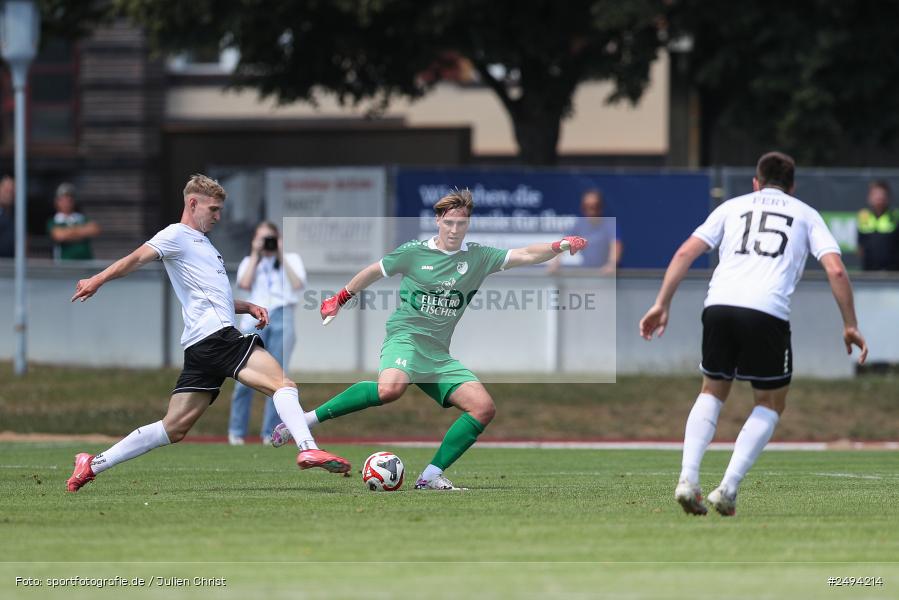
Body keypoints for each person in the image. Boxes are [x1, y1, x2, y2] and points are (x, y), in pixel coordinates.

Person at [271, 189, 588, 490]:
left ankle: (431, 476)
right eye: (448, 222)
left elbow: (525, 254)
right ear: (438, 221)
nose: (453, 229)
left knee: (483, 408)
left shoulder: (478, 257)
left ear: (467, 224)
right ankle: (305, 420)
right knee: (390, 389)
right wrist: (340, 298)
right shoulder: (414, 252)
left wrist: (560, 245)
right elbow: (374, 270)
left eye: (460, 223)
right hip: (405, 337)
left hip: (437, 354)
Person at [65, 174, 349, 493]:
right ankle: (307, 447)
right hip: (217, 339)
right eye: (213, 209)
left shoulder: (206, 246)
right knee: (283, 384)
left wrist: (247, 306)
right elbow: (134, 259)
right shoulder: (176, 235)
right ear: (193, 203)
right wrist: (98, 280)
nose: (218, 216)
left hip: (201, 346)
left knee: (173, 428)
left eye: (220, 210)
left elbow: (214, 298)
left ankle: (92, 464)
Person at [639, 152, 868, 516]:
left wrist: (661, 303)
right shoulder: (806, 214)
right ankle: (726, 489)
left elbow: (686, 251)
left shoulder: (732, 207)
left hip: (718, 305)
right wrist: (850, 324)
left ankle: (688, 478)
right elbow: (837, 271)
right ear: (792, 187)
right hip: (767, 311)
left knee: (712, 390)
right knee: (770, 403)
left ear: (756, 183)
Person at [228, 221, 307, 445]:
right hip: (253, 318)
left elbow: (298, 284)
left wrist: (280, 253)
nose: (267, 243)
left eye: (270, 238)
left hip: (283, 314)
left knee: (278, 377)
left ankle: (269, 432)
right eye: (262, 238)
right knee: (243, 374)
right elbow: (244, 283)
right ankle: (236, 431)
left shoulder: (291, 260)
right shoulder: (249, 261)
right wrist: (255, 253)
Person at [548, 189, 621, 275]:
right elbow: (564, 243)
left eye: (595, 206)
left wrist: (612, 264)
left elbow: (616, 244)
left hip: (607, 274)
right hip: (588, 273)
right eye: (586, 206)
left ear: (601, 207)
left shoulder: (609, 224)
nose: (591, 210)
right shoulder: (579, 224)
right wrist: (556, 262)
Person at [48, 182, 101, 261]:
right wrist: (81, 232)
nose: (66, 204)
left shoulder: (81, 217)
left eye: (69, 200)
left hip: (86, 262)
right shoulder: (54, 221)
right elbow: (59, 236)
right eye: (63, 200)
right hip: (65, 263)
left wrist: (69, 232)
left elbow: (95, 230)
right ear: (57, 202)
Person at [856, 180, 899, 271]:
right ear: (869, 197)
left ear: (887, 197)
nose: (879, 197)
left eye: (882, 194)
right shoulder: (863, 216)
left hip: (893, 271)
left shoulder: (895, 216)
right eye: (876, 194)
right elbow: (860, 246)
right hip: (869, 270)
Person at [0, 176, 15, 258]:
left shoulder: (18, 217)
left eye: (11, 191)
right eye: (6, 190)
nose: (8, 194)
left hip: (12, 267)